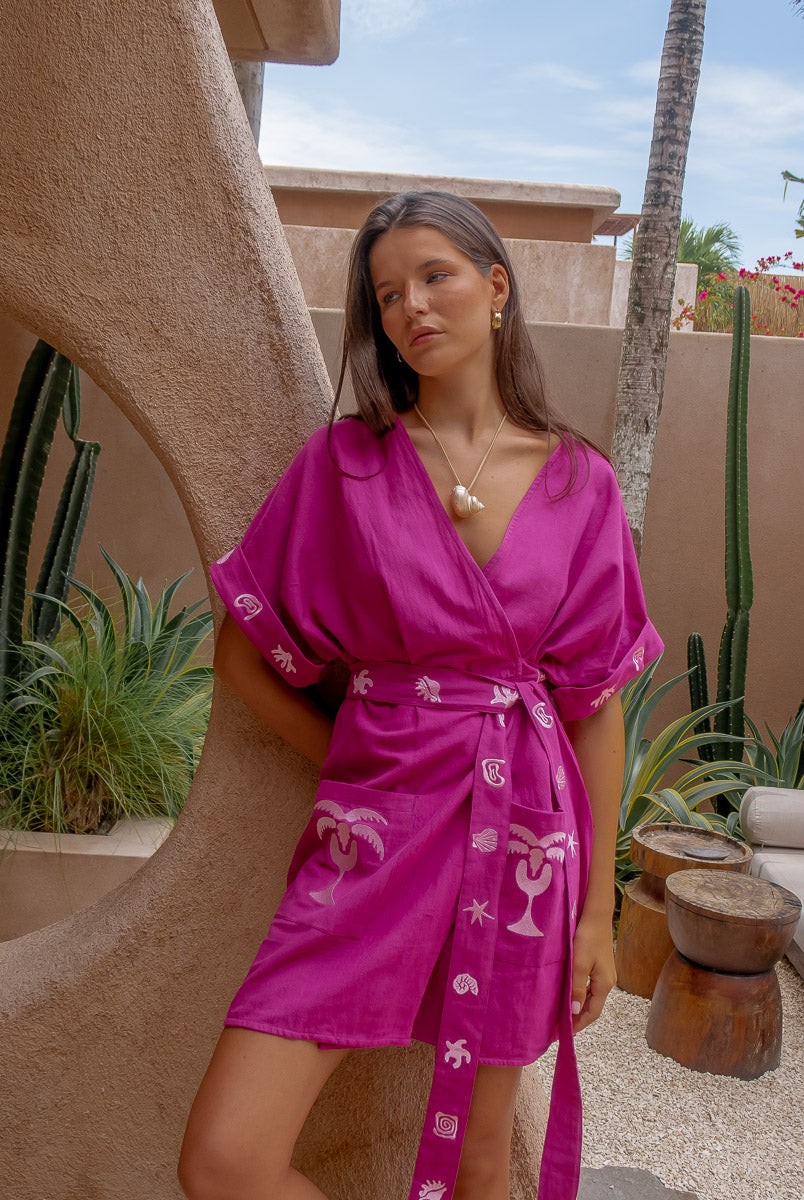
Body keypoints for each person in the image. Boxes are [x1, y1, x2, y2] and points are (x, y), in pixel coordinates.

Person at [178, 190, 663, 1200]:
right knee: (226, 1158)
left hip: (528, 839)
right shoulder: (345, 466)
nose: (411, 307)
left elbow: (595, 704)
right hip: (370, 840)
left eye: (434, 276)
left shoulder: (581, 484)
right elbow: (242, 653)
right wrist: (353, 769)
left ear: (496, 288)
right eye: (388, 292)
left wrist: (598, 921)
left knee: (485, 1160)